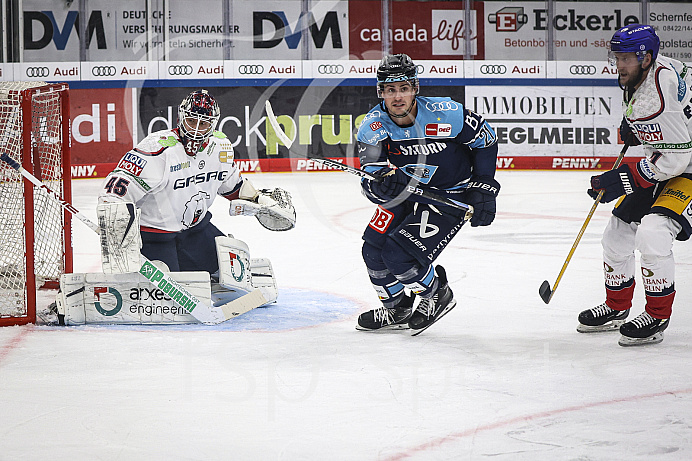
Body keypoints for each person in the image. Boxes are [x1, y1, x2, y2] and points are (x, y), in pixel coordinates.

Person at [97, 89, 295, 300]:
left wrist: (261, 200)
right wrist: (120, 242)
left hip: (197, 232)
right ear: (181, 118)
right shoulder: (157, 151)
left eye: (204, 124)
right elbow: (113, 195)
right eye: (192, 121)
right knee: (163, 297)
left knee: (231, 276)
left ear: (214, 124)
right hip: (156, 238)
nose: (197, 130)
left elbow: (233, 187)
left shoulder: (220, 147)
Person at [354, 54, 500, 334]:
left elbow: (486, 140)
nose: (398, 97)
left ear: (415, 88)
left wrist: (484, 185)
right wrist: (380, 185)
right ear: (380, 92)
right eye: (390, 89)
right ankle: (397, 307)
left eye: (404, 88)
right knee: (372, 250)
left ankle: (437, 293)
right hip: (409, 193)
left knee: (399, 255)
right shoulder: (373, 126)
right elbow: (371, 175)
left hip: (450, 195)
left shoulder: (447, 112)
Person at [578, 24, 692, 346]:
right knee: (617, 233)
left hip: (684, 166)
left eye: (627, 58)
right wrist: (636, 127)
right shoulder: (656, 69)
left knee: (653, 231)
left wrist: (622, 179)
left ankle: (657, 315)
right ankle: (616, 308)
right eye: (617, 57)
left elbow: (674, 162)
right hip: (675, 156)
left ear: (646, 58)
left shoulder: (656, 99)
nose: (619, 64)